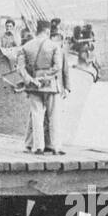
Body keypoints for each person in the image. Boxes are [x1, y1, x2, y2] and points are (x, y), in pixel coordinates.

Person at [16, 19, 67, 155]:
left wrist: (31, 80)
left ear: (37, 30)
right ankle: (55, 146)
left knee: (36, 115)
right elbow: (58, 67)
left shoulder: (25, 47)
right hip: (50, 85)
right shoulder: (54, 46)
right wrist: (44, 78)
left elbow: (20, 68)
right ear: (47, 31)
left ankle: (37, 147)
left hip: (33, 86)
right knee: (53, 116)